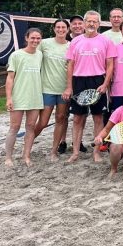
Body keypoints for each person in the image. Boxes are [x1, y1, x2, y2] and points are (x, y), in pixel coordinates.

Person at [63, 11, 116, 163]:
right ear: (84, 23)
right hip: (79, 80)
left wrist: (105, 84)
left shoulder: (106, 41)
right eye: (89, 21)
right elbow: (70, 65)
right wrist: (69, 86)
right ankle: (75, 152)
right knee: (78, 118)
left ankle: (96, 152)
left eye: (95, 21)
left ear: (99, 24)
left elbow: (110, 65)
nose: (91, 24)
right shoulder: (75, 41)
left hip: (97, 80)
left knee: (98, 118)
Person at [5, 28, 44, 166]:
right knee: (14, 127)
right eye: (33, 38)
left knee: (30, 127)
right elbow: (10, 78)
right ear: (26, 38)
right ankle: (8, 157)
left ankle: (26, 156)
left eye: (38, 38)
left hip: (34, 96)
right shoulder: (16, 55)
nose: (35, 40)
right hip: (19, 96)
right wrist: (9, 98)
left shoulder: (40, 54)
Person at [35, 19, 70, 160]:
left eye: (63, 27)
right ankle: (27, 145)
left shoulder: (71, 46)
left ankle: (53, 151)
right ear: (54, 29)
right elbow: (31, 55)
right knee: (43, 122)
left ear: (68, 30)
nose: (61, 30)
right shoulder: (44, 43)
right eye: (58, 27)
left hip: (63, 90)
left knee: (60, 118)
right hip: (47, 88)